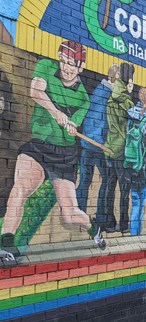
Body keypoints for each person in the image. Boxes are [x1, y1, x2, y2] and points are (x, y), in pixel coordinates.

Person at [0, 40, 106, 257]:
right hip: (39, 147)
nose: (66, 67)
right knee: (20, 187)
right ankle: (6, 243)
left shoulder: (83, 98)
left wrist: (71, 125)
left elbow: (73, 126)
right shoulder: (46, 68)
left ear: (80, 68)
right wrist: (56, 112)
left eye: (71, 64)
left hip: (64, 155)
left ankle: (93, 227)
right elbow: (36, 92)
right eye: (64, 61)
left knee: (70, 215)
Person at [76, 64, 119, 232]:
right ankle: (101, 218)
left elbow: (89, 117)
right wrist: (104, 142)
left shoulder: (97, 91)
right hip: (98, 145)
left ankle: (78, 215)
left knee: (85, 181)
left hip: (87, 143)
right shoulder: (108, 95)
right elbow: (103, 122)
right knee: (107, 181)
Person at [103, 63, 135, 234]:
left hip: (110, 148)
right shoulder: (127, 102)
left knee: (110, 187)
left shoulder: (110, 99)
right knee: (124, 189)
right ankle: (123, 224)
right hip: (122, 151)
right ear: (129, 80)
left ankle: (109, 223)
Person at [128, 88, 146, 236]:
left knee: (135, 201)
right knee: (141, 203)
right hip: (143, 167)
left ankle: (134, 233)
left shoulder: (130, 113)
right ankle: (136, 235)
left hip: (131, 164)